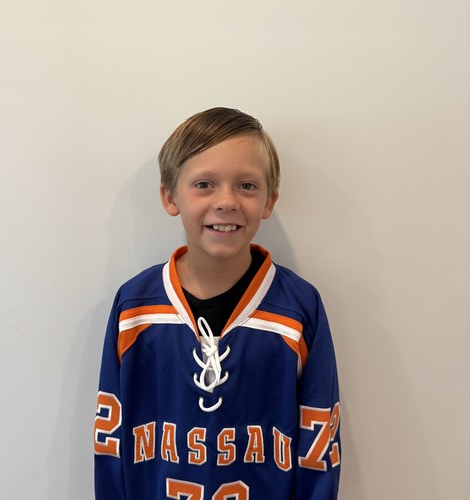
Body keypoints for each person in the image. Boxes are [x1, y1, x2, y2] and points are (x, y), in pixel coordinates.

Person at [94, 107, 341, 499]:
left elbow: (319, 448)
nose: (226, 201)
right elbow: (110, 443)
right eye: (204, 184)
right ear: (170, 196)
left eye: (247, 185)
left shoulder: (298, 309)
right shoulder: (135, 307)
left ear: (269, 201)